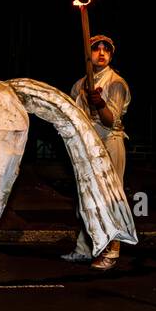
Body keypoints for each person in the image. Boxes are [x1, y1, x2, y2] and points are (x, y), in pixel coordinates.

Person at [63, 35, 130, 269]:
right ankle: (84, 248)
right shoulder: (79, 84)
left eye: (106, 50)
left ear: (111, 55)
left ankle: (113, 250)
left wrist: (100, 104)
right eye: (96, 49)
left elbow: (111, 121)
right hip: (88, 144)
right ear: (88, 54)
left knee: (111, 196)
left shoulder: (116, 83)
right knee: (86, 196)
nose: (101, 53)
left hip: (109, 142)